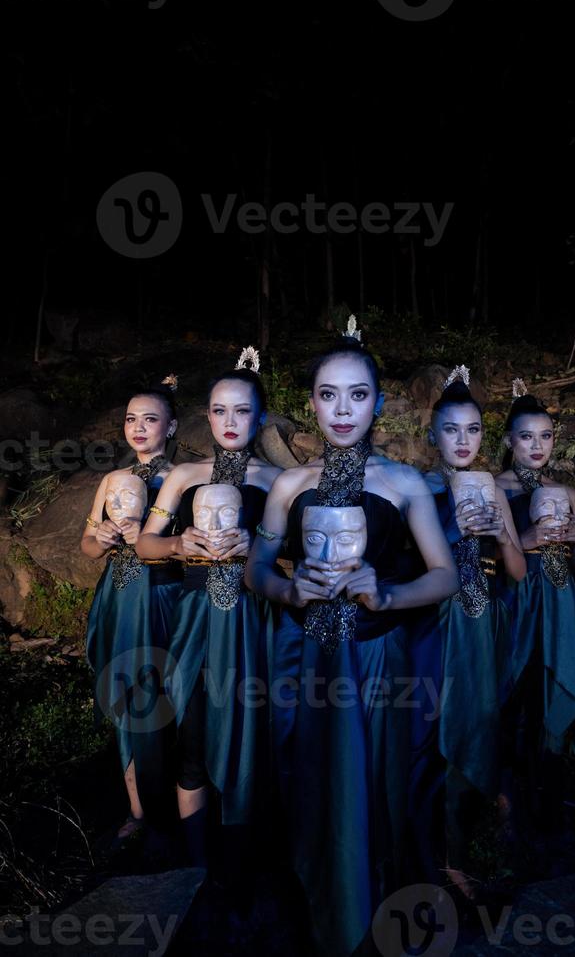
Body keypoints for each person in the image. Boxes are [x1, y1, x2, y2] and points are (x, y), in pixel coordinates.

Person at [245, 321, 458, 957]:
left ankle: (381, 915)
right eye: (328, 395)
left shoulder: (405, 483)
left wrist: (388, 594)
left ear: (379, 403)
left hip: (380, 661)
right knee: (312, 785)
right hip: (310, 661)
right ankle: (320, 907)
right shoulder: (288, 486)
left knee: (381, 787)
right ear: (310, 402)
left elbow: (445, 575)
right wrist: (287, 591)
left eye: (358, 395)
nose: (343, 410)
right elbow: (256, 570)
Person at [136, 348, 280, 869]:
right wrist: (180, 545)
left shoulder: (278, 481)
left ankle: (247, 866)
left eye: (242, 410)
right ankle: (197, 870)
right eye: (219, 410)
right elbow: (145, 545)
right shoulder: (184, 474)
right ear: (206, 416)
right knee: (192, 740)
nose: (229, 421)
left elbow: (300, 554)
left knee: (252, 737)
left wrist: (260, 546)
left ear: (260, 417)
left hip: (253, 621)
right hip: (195, 620)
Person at [422, 365, 525, 904]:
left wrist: (500, 532)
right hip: (435, 627)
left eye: (474, 430)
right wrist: (456, 527)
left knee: (481, 723)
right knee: (436, 731)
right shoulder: (416, 487)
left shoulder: (492, 488)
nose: (463, 441)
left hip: (482, 623)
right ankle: (437, 856)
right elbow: (407, 560)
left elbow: (517, 571)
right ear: (432, 434)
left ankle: (463, 851)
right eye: (451, 429)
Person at [82, 376, 182, 843]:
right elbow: (85, 545)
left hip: (163, 595)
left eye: (150, 419)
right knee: (125, 691)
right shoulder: (111, 480)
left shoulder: (185, 478)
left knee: (167, 690)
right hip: (121, 595)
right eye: (130, 419)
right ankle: (138, 810)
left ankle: (181, 802)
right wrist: (99, 539)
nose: (138, 428)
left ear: (172, 425)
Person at [495, 380, 575, 833]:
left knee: (552, 683)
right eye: (526, 436)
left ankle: (549, 789)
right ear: (510, 440)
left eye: (546, 436)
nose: (537, 446)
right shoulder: (495, 487)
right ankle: (505, 794)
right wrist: (523, 540)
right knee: (514, 682)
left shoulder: (566, 491)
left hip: (559, 595)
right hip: (518, 594)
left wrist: (574, 540)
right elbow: (477, 553)